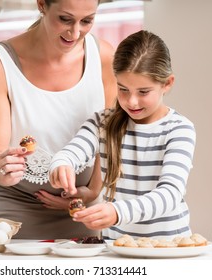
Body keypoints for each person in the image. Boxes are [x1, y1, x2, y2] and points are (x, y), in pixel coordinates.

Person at [0, 0, 117, 239]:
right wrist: (3, 168)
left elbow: (109, 136)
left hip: (82, 207)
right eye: (65, 19)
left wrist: (91, 191)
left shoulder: (103, 56)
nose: (75, 33)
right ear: (42, 4)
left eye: (87, 21)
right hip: (17, 207)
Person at [49, 30, 196, 240]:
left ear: (167, 83)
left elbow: (170, 194)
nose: (131, 101)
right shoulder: (102, 123)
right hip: (116, 248)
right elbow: (73, 151)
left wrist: (118, 213)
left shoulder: (179, 129)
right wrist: (61, 164)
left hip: (169, 247)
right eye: (123, 89)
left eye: (143, 92)